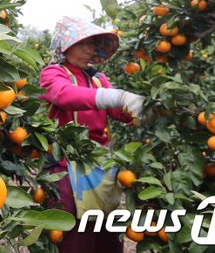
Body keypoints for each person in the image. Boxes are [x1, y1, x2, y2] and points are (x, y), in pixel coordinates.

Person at [39, 16, 145, 253]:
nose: (89, 50)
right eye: (82, 44)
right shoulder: (53, 74)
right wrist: (112, 97)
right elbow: (64, 95)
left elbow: (119, 113)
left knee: (107, 238)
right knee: (75, 239)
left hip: (101, 170)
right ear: (65, 46)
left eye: (92, 44)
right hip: (65, 170)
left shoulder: (98, 80)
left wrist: (141, 108)